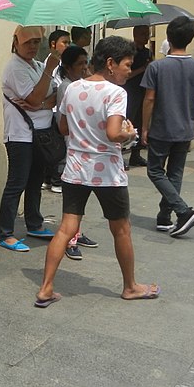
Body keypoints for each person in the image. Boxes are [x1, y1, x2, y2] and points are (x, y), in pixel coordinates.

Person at [35, 36, 160, 308]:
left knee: (67, 228)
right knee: (122, 230)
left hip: (75, 169)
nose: (129, 70)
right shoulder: (116, 93)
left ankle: (45, 288)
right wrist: (127, 132)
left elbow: (64, 129)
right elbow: (114, 133)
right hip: (107, 173)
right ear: (111, 63)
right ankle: (130, 286)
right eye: (127, 64)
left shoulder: (72, 88)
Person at [141, 16, 194, 237]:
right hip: (185, 129)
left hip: (161, 128)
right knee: (175, 173)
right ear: (191, 38)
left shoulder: (156, 66)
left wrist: (144, 127)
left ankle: (183, 211)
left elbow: (149, 100)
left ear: (168, 37)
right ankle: (164, 217)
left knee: (155, 170)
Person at [0, 25, 59, 252]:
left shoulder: (37, 65)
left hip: (40, 133)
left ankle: (34, 223)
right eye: (28, 42)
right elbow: (34, 98)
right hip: (19, 135)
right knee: (17, 183)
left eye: (36, 42)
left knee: (35, 182)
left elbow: (53, 96)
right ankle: (5, 233)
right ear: (16, 42)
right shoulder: (15, 68)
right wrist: (47, 78)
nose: (33, 47)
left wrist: (41, 102)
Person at [54, 46, 99, 260]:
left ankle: (76, 232)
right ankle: (69, 239)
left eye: (85, 62)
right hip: (71, 148)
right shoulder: (67, 87)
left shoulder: (82, 85)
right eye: (80, 64)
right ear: (69, 66)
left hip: (84, 149)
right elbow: (62, 122)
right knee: (72, 200)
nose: (84, 67)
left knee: (80, 198)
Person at [43, 29, 71, 193]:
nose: (67, 46)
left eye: (68, 42)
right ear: (53, 44)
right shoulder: (51, 65)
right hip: (54, 110)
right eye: (64, 42)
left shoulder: (62, 64)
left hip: (59, 107)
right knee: (57, 148)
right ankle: (55, 180)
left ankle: (49, 179)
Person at [124, 26, 153, 168]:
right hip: (130, 91)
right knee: (127, 121)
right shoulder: (129, 51)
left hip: (144, 91)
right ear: (135, 34)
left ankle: (136, 154)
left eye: (147, 34)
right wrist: (143, 68)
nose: (146, 37)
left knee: (140, 122)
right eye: (143, 34)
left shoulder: (147, 52)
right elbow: (127, 74)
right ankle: (121, 153)